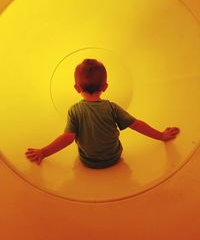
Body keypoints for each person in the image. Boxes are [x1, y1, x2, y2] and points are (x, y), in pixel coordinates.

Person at [25, 59, 180, 168]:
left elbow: (67, 138)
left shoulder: (74, 110)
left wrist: (43, 152)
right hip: (114, 157)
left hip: (88, 161)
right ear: (105, 87)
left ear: (77, 88)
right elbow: (136, 124)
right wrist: (161, 135)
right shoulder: (111, 107)